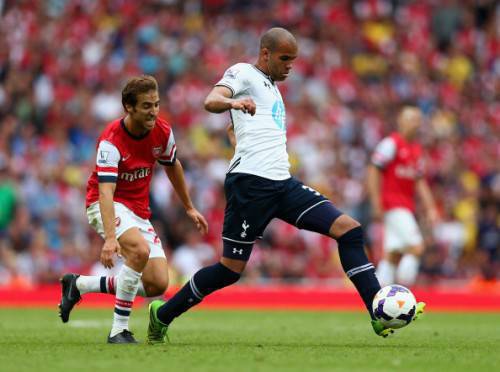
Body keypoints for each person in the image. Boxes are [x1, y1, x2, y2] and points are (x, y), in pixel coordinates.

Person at [146, 28, 424, 344]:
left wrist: (238, 134)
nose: (290, 65)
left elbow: (254, 130)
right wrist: (234, 105)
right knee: (229, 270)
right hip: (250, 186)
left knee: (350, 231)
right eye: (285, 58)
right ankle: (163, 314)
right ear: (265, 54)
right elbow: (212, 100)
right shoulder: (243, 73)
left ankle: (378, 311)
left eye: (293, 59)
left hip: (283, 184)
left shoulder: (273, 88)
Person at [58, 75, 208, 344]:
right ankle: (119, 330)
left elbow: (173, 165)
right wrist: (111, 239)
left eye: (156, 104)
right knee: (139, 251)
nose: (154, 111)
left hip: (138, 210)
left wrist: (189, 207)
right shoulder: (111, 141)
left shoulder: (162, 131)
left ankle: (79, 285)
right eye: (147, 106)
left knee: (157, 283)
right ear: (129, 107)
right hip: (104, 203)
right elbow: (106, 191)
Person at [367, 106, 438, 287]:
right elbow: (374, 170)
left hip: (405, 205)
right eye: (411, 119)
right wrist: (376, 201)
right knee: (417, 247)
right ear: (401, 121)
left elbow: (420, 181)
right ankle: (404, 292)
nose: (415, 124)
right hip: (393, 204)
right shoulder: (391, 144)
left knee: (393, 254)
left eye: (417, 120)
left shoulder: (416, 150)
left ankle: (377, 294)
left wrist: (430, 208)